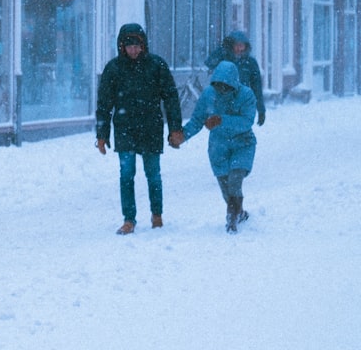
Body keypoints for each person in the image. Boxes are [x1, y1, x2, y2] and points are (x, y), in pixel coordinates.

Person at [95, 23, 183, 235]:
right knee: (127, 175)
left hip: (151, 128)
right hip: (125, 130)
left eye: (137, 46)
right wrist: (102, 134)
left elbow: (171, 98)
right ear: (122, 47)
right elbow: (104, 104)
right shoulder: (113, 69)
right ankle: (129, 219)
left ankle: (157, 215)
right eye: (129, 46)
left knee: (153, 174)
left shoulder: (156, 66)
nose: (133, 50)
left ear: (144, 45)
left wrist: (175, 128)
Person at [178, 61, 257, 234]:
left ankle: (231, 218)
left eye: (226, 86)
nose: (222, 90)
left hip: (242, 143)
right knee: (226, 187)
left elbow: (246, 121)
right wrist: (183, 136)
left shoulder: (246, 95)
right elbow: (198, 120)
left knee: (235, 180)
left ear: (233, 84)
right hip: (218, 146)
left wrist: (221, 120)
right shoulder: (208, 95)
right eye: (218, 86)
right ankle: (238, 211)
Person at [205, 31, 266, 126]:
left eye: (241, 45)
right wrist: (222, 49)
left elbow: (256, 87)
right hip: (223, 104)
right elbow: (209, 62)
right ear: (231, 46)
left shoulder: (250, 63)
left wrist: (261, 110)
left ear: (246, 46)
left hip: (242, 105)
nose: (238, 48)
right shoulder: (223, 59)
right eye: (236, 45)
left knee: (241, 133)